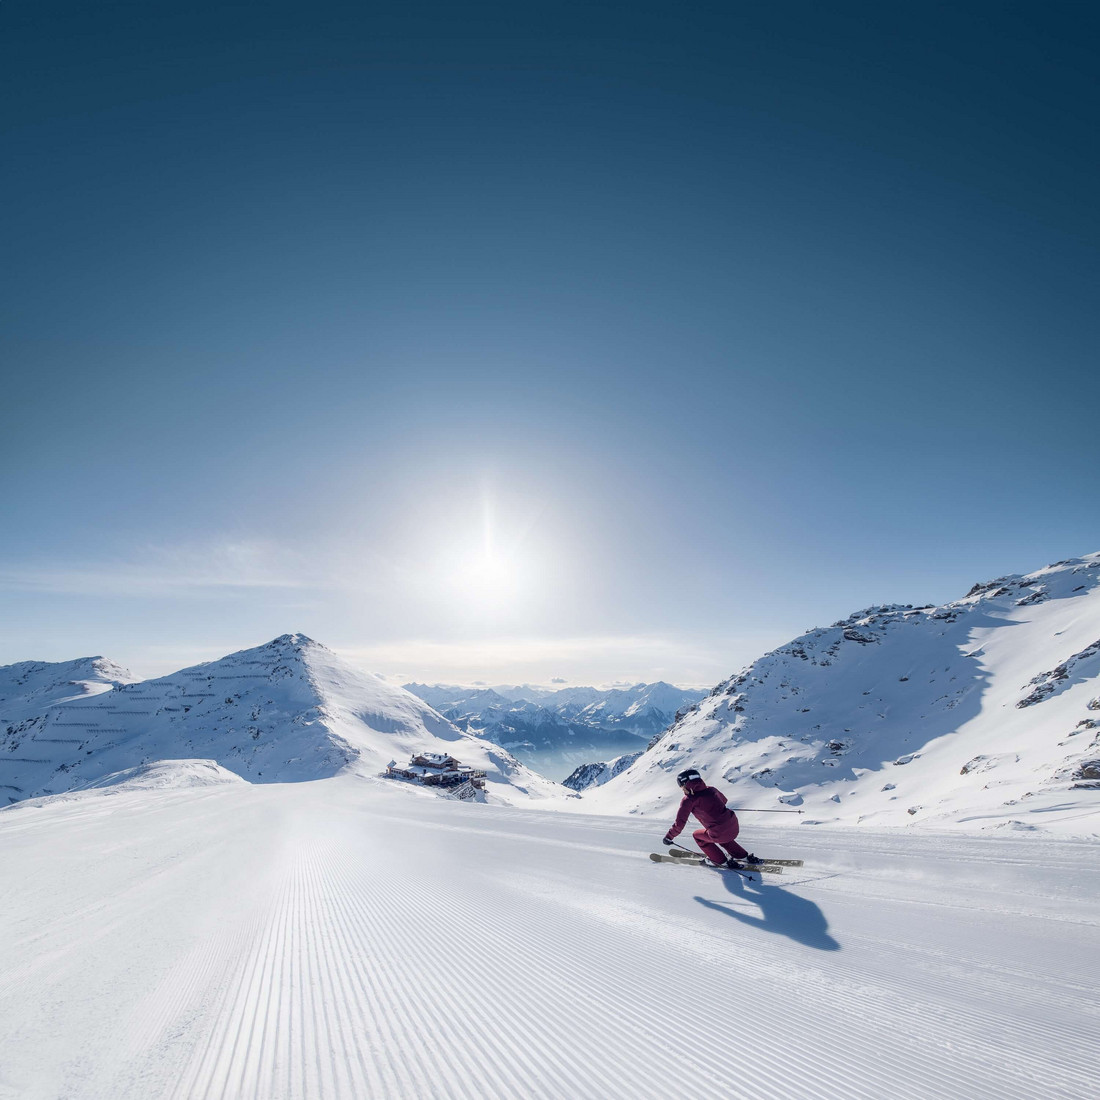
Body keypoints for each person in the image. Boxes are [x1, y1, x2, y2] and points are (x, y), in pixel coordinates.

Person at [662, 768, 763, 869]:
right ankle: (742, 856)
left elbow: (679, 823)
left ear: (684, 784)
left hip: (719, 832)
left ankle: (720, 861)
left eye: (681, 786)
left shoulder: (688, 800)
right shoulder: (711, 789)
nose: (682, 789)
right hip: (733, 826)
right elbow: (724, 800)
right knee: (719, 833)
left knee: (697, 836)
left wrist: (669, 837)